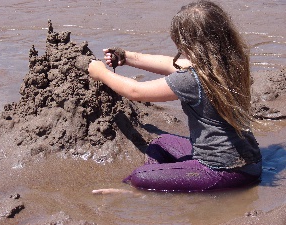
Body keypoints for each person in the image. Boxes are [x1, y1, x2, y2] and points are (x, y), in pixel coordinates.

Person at [88, 0, 262, 192]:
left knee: (138, 177)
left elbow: (135, 92)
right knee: (160, 143)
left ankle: (140, 192)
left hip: (221, 171)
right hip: (250, 163)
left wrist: (102, 73)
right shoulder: (232, 64)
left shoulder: (192, 80)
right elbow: (169, 64)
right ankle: (162, 180)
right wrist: (127, 57)